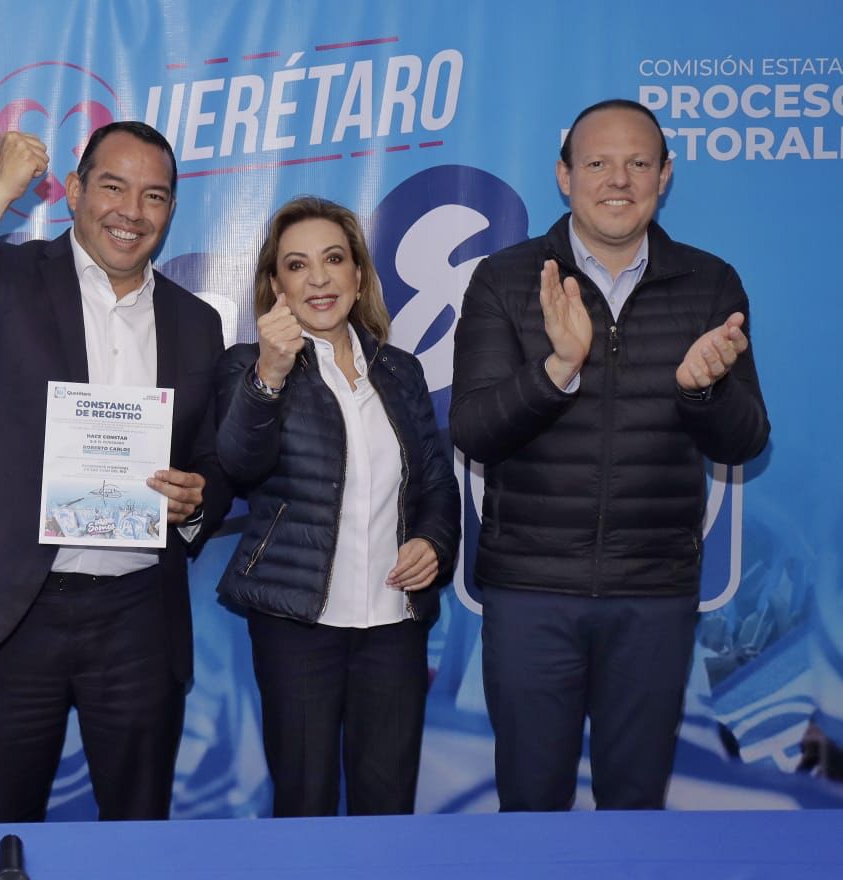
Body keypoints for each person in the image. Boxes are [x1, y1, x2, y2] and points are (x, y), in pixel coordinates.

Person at [0, 121, 228, 822]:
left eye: (153, 196)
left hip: (139, 617)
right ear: (74, 191)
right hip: (9, 609)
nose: (131, 211)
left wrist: (196, 500)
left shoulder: (197, 321)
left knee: (136, 834)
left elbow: (210, 461)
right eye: (112, 187)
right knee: (1, 827)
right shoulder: (6, 274)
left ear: (171, 210)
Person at [449, 99, 771, 811]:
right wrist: (556, 369)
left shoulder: (710, 283)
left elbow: (746, 438)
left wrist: (702, 391)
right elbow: (473, 430)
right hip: (530, 592)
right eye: (597, 162)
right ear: (564, 176)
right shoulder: (505, 278)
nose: (617, 180)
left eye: (637, 163)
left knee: (635, 809)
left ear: (664, 176)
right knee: (530, 805)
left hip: (652, 594)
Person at [214, 196, 460, 816]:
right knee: (304, 805)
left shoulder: (400, 371)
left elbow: (436, 484)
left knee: (387, 807)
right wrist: (270, 375)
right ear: (276, 286)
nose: (318, 279)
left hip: (394, 624)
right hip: (296, 624)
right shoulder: (247, 368)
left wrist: (432, 542)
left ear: (358, 273)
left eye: (333, 259)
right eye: (297, 265)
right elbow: (239, 464)